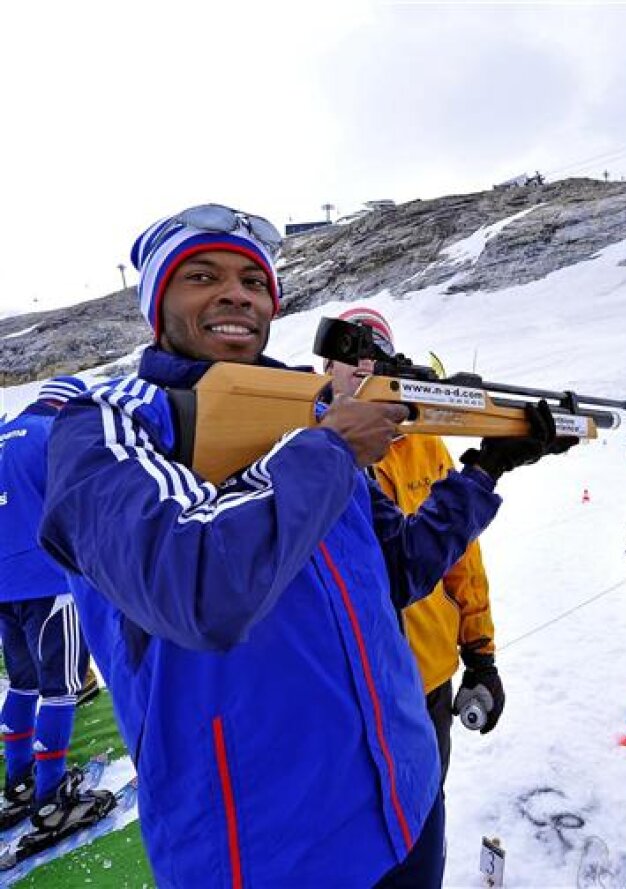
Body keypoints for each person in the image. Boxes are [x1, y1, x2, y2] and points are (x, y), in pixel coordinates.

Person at [37, 204, 571, 887]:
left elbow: (397, 566)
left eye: (253, 282)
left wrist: (485, 469)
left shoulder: (307, 415)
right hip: (266, 856)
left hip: (406, 809)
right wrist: (330, 447)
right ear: (156, 306)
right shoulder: (108, 424)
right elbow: (199, 587)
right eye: (202, 275)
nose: (236, 293)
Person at [324, 306, 503, 783]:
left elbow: (462, 559)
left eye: (377, 352)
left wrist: (480, 655)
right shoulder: (299, 442)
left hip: (428, 680)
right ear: (327, 366)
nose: (364, 363)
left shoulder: (425, 445)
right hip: (344, 693)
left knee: (427, 805)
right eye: (351, 351)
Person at [0, 375, 113, 836]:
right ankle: (51, 799)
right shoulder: (54, 437)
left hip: (4, 587)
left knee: (23, 684)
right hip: (50, 580)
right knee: (61, 687)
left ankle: (17, 783)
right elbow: (81, 506)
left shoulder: (5, 437)